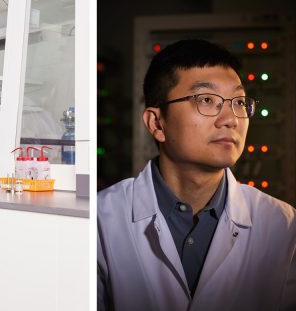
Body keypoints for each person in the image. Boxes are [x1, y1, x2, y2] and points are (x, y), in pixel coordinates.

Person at [97, 39, 296, 310]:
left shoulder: (282, 224)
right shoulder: (100, 220)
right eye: (206, 100)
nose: (231, 119)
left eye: (238, 102)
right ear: (157, 123)